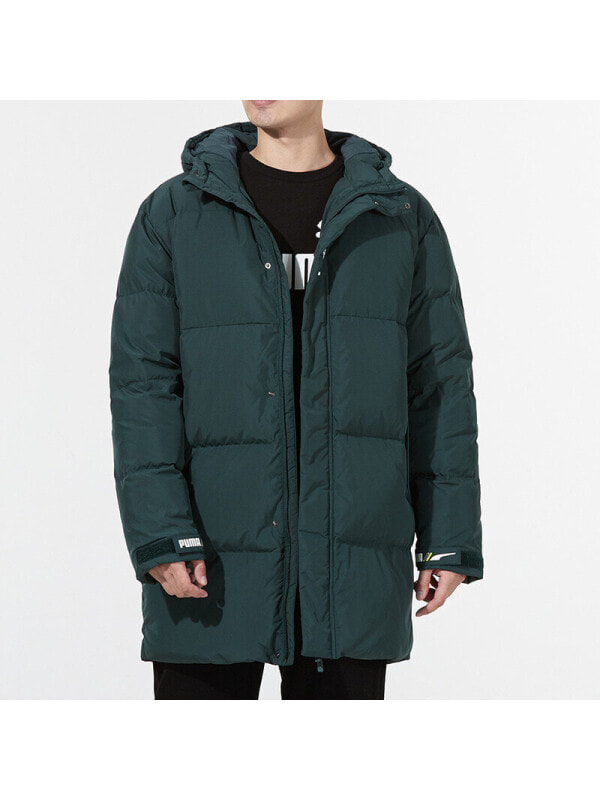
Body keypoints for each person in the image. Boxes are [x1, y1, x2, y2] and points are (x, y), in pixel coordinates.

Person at [109, 100, 483, 700]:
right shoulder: (174, 213)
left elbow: (438, 385)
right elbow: (142, 388)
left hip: (350, 568)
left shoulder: (398, 216)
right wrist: (160, 532)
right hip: (208, 563)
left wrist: (450, 534)